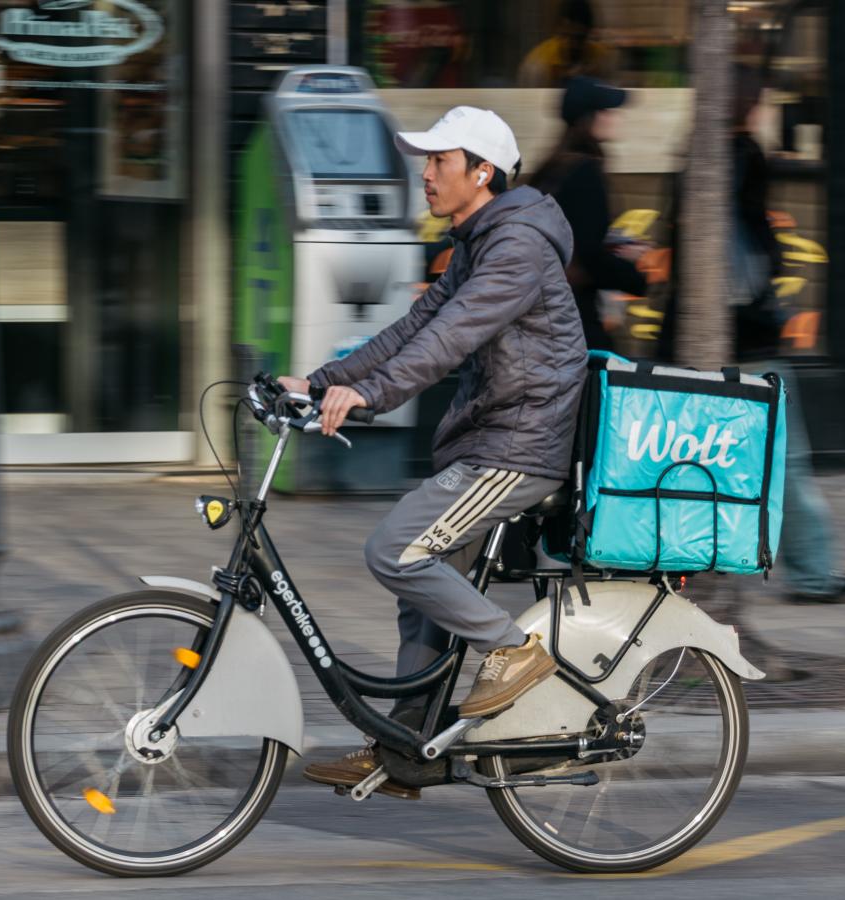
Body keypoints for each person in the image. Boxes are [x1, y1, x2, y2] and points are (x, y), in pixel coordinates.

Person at [275, 106, 587, 798]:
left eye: (439, 161)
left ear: (482, 172)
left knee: (396, 550)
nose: (426, 174)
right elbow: (416, 323)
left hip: (518, 447)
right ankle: (404, 750)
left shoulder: (518, 246)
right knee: (423, 601)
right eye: (426, 161)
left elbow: (452, 338)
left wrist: (372, 397)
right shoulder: (479, 239)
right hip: (488, 439)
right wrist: (320, 381)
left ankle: (513, 652)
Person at [657, 65, 845, 604]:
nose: (761, 106)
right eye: (757, 98)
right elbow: (747, 238)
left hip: (697, 335)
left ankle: (669, 561)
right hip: (747, 338)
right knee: (786, 457)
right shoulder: (742, 153)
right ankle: (814, 574)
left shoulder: (692, 153)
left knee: (689, 456)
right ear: (744, 102)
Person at [529, 76, 648, 351]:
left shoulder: (552, 168)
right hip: (573, 319)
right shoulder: (585, 172)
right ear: (590, 118)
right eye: (607, 111)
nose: (615, 117)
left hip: (544, 314)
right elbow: (589, 252)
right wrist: (635, 277)